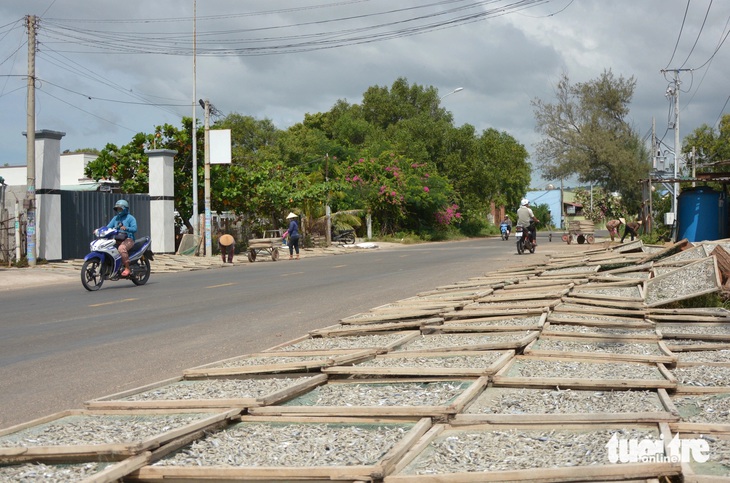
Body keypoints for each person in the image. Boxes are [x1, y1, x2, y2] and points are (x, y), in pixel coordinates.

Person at [106, 199, 137, 277]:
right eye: (117, 209)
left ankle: (127, 268)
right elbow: (108, 227)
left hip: (128, 239)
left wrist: (126, 228)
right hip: (116, 239)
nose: (119, 210)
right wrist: (99, 230)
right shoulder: (115, 218)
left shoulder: (130, 218)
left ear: (125, 209)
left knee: (121, 248)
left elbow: (134, 228)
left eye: (121, 209)